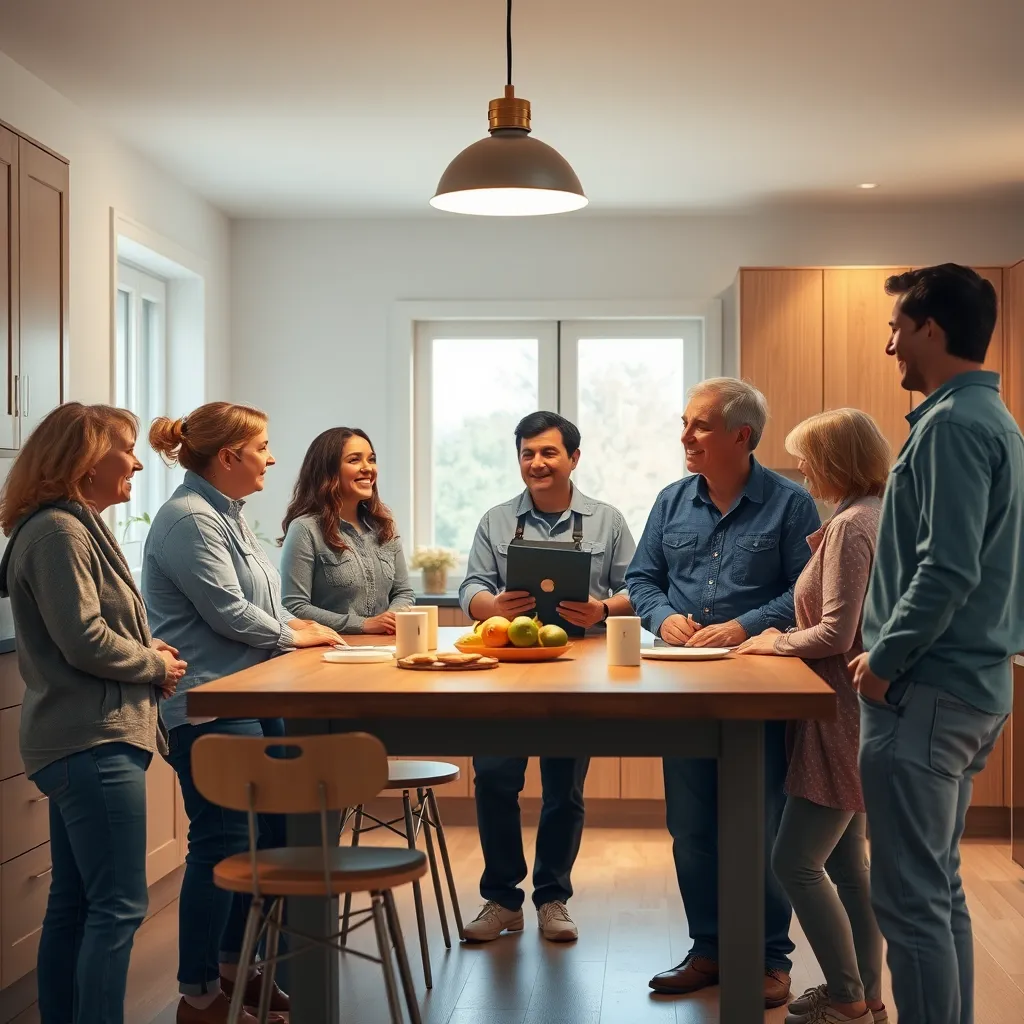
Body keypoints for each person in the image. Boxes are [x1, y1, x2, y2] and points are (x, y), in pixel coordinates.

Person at [850, 264, 1024, 1024]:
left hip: (924, 690)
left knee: (909, 901)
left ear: (930, 328)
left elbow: (947, 567)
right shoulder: (997, 420)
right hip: (972, 686)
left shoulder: (952, 427)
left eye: (896, 328)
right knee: (939, 886)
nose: (890, 345)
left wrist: (883, 663)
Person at [143, 403, 342, 1024]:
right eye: (263, 446)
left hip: (252, 694)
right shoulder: (189, 521)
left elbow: (264, 608)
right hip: (208, 704)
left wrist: (295, 626)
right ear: (228, 456)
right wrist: (298, 635)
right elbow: (228, 613)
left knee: (271, 838)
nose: (272, 457)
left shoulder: (226, 515)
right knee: (224, 842)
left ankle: (238, 970)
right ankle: (198, 995)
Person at [626, 377, 821, 1009]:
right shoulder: (670, 500)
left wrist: (746, 624)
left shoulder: (792, 505)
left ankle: (768, 959)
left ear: (741, 435)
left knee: (762, 825)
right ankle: (707, 948)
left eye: (699, 426)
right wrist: (661, 617)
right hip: (681, 681)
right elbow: (642, 577)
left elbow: (804, 592)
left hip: (759, 680)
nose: (685, 436)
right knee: (690, 827)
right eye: (684, 423)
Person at [0, 403, 187, 1024]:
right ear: (85, 460)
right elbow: (82, 638)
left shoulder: (70, 527)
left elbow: (90, 629)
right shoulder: (60, 532)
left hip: (82, 740)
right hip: (92, 742)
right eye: (126, 448)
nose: (136, 460)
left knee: (76, 904)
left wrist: (143, 648)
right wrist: (155, 666)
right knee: (119, 905)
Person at [458, 410, 636, 944]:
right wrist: (494, 603)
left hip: (576, 672)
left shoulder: (607, 519)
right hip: (504, 671)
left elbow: (643, 589)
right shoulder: (494, 520)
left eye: (548, 453)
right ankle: (501, 899)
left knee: (563, 788)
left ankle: (553, 899)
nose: (537, 463)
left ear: (573, 459)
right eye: (527, 454)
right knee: (494, 777)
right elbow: (470, 588)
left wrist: (603, 610)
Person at [736, 408, 889, 1024]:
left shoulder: (853, 525)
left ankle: (848, 998)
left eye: (809, 459)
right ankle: (866, 996)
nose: (802, 470)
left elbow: (834, 632)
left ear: (835, 462)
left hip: (838, 714)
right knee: (849, 867)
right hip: (854, 711)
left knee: (794, 862)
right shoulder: (874, 514)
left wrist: (770, 639)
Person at [279, 426, 414, 633]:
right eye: (354, 460)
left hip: (384, 649)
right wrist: (363, 625)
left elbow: (404, 592)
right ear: (328, 471)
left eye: (371, 459)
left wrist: (392, 619)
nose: (368, 468)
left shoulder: (385, 527)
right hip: (328, 653)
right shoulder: (305, 530)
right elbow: (294, 607)